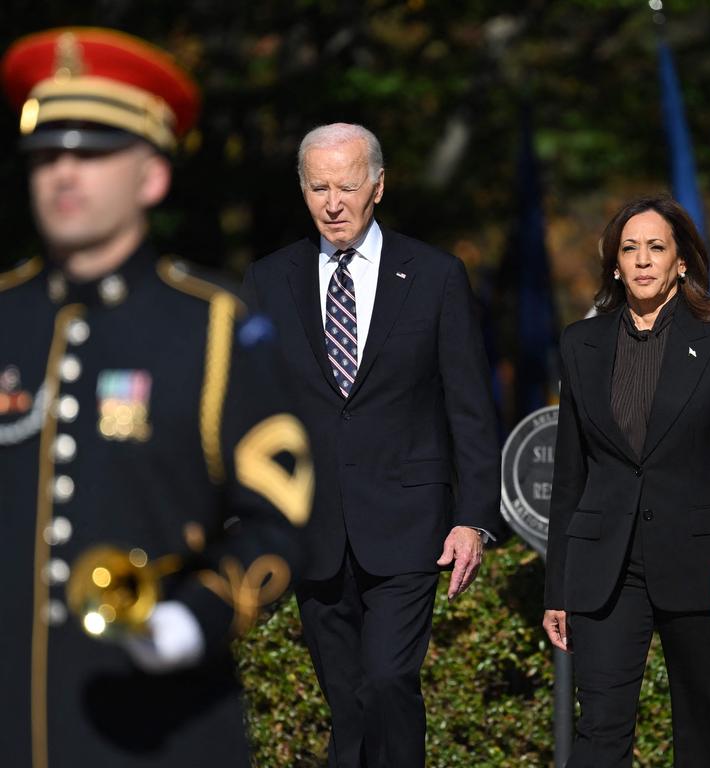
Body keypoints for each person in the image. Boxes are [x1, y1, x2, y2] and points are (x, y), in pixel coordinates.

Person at [0, 27, 314, 767]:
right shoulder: (5, 315)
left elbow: (283, 517)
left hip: (159, 732)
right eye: (48, 156)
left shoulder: (213, 326)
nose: (64, 175)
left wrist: (199, 617)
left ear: (151, 177)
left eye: (93, 154)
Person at [241, 122, 501, 768]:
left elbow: (469, 407)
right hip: (314, 525)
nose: (333, 203)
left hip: (409, 521)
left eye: (347, 187)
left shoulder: (436, 277)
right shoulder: (269, 281)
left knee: (388, 679)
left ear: (378, 187)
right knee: (348, 700)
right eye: (318, 188)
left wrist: (473, 518)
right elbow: (249, 410)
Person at [542, 194, 710, 766]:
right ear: (615, 264)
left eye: (656, 247)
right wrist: (558, 588)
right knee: (600, 731)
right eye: (629, 248)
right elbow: (571, 471)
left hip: (699, 559)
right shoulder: (579, 344)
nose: (642, 260)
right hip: (604, 565)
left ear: (681, 262)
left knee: (707, 726)